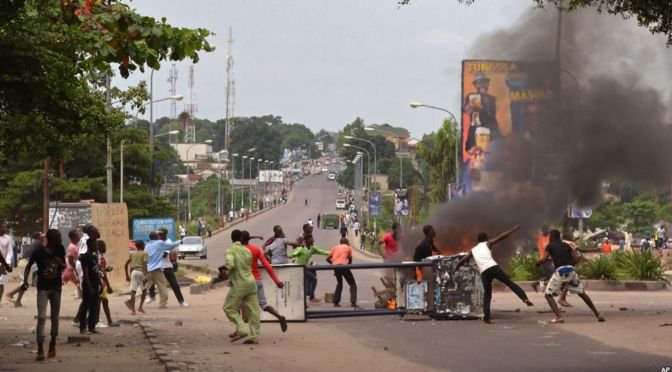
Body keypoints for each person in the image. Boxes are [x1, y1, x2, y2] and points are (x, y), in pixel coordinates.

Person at [454, 226, 533, 324]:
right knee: (509, 283)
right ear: (486, 238)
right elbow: (501, 236)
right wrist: (513, 229)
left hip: (484, 272)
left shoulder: (473, 250)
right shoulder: (487, 243)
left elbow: (463, 259)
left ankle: (487, 318)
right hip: (493, 267)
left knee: (487, 295)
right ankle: (524, 298)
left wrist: (456, 267)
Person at [538, 230, 605, 324]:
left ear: (551, 237)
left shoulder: (550, 246)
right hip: (571, 270)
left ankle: (559, 317)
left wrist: (537, 263)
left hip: (560, 271)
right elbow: (575, 259)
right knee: (582, 293)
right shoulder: (567, 245)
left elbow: (544, 259)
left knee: (548, 295)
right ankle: (598, 314)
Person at [23, 229, 65, 361]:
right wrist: (25, 281)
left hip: (56, 287)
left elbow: (64, 265)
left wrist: (60, 263)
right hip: (43, 288)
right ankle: (40, 347)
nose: (60, 239)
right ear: (51, 238)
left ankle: (52, 342)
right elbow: (28, 266)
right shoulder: (39, 251)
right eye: (58, 237)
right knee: (41, 317)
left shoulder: (60, 249)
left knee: (55, 317)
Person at [240, 231, 287, 332]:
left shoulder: (239, 251)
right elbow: (267, 266)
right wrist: (277, 281)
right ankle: (279, 316)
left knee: (240, 303)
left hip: (245, 282)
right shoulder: (256, 250)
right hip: (257, 280)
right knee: (264, 305)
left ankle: (243, 327)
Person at [222, 230, 261, 344]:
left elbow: (230, 263)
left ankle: (241, 328)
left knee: (229, 308)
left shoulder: (230, 250)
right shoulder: (247, 251)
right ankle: (255, 336)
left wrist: (226, 271)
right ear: (241, 238)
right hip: (251, 282)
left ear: (232, 238)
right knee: (254, 311)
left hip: (240, 283)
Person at [148, 228, 189, 307]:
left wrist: (156, 252)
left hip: (166, 266)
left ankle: (181, 301)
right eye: (158, 234)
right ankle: (152, 296)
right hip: (157, 266)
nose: (158, 236)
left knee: (174, 284)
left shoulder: (168, 242)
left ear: (164, 234)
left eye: (160, 234)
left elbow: (164, 255)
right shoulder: (157, 243)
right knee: (151, 281)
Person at [288, 233, 329, 303]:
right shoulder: (301, 249)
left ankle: (308, 295)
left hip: (306, 267)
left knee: (310, 280)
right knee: (313, 279)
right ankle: (308, 294)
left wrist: (334, 252)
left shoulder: (312, 248)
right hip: (299, 268)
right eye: (311, 239)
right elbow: (291, 255)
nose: (313, 240)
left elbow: (322, 252)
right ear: (307, 240)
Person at [6, 232, 42, 307]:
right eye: (42, 237)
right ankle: (10, 294)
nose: (44, 238)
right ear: (39, 237)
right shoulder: (38, 243)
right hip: (26, 263)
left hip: (24, 262)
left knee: (25, 284)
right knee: (25, 283)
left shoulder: (36, 243)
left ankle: (18, 302)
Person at [327, 238, 358, 308]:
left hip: (336, 267)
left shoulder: (335, 248)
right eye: (348, 242)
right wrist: (347, 268)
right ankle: (353, 302)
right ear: (346, 242)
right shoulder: (348, 247)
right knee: (352, 284)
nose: (349, 243)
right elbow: (350, 262)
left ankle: (336, 302)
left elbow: (327, 258)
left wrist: (333, 264)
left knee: (339, 284)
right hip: (344, 266)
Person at [79, 237, 101, 335]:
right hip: (88, 285)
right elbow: (86, 273)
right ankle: (83, 327)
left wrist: (100, 284)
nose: (96, 246)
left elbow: (96, 272)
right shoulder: (85, 257)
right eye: (95, 244)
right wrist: (90, 287)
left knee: (94, 306)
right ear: (90, 245)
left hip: (95, 284)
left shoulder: (94, 257)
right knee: (85, 306)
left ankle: (92, 327)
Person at [96, 240, 117, 328]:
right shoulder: (100, 257)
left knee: (104, 301)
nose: (105, 248)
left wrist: (106, 269)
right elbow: (102, 272)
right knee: (100, 302)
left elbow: (101, 269)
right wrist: (108, 286)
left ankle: (109, 321)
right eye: (104, 246)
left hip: (100, 282)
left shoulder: (99, 256)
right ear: (100, 247)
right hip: (101, 282)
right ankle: (96, 321)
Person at [124, 240, 148, 315]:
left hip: (133, 272)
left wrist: (127, 275)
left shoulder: (132, 253)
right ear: (142, 246)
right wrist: (146, 275)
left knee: (133, 291)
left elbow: (126, 264)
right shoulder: (144, 253)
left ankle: (133, 310)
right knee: (144, 290)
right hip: (141, 272)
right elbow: (145, 265)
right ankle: (140, 307)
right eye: (144, 245)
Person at [0, 223, 13, 302]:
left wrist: (7, 262)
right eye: (2, 228)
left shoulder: (7, 238)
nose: (4, 229)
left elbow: (9, 251)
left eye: (5, 228)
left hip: (3, 265)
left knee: (1, 284)